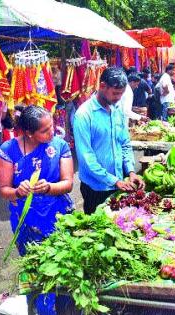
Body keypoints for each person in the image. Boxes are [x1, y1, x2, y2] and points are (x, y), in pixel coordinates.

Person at [0, 105, 74, 314]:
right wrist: (18, 192)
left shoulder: (59, 146)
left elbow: (68, 183)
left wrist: (49, 187)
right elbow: (4, 190)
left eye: (52, 125)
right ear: (29, 133)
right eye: (45, 130)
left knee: (60, 268)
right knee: (31, 269)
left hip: (58, 218)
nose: (52, 131)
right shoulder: (8, 151)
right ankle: (32, 306)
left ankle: (61, 307)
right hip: (27, 223)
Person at [73, 67, 145, 214]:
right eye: (115, 93)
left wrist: (131, 172)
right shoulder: (84, 115)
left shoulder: (117, 109)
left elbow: (124, 143)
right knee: (97, 229)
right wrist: (114, 181)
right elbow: (87, 158)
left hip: (119, 183)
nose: (118, 98)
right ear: (102, 86)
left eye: (121, 94)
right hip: (96, 188)